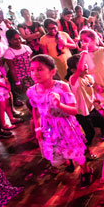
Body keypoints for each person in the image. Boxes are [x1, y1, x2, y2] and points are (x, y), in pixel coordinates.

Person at [27, 55, 93, 188]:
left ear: (52, 71)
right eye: (32, 70)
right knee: (57, 152)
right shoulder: (31, 91)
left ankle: (86, 170)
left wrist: (59, 105)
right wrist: (37, 128)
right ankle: (68, 161)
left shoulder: (62, 87)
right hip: (48, 127)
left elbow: (74, 110)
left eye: (40, 69)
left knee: (75, 152)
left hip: (65, 125)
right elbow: (35, 109)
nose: (35, 73)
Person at [78, 29, 104, 132]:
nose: (83, 43)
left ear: (94, 39)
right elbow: (83, 73)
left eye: (85, 40)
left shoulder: (103, 50)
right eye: (81, 40)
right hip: (93, 84)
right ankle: (103, 125)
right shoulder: (83, 55)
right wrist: (94, 85)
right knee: (98, 106)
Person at [66, 53, 104, 146]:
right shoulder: (74, 80)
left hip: (91, 108)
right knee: (90, 133)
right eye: (81, 64)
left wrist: (94, 98)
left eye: (85, 63)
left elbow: (89, 91)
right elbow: (80, 71)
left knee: (102, 122)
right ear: (73, 70)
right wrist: (84, 53)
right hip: (81, 112)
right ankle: (85, 147)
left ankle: (103, 133)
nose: (85, 65)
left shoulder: (88, 77)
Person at [3, 29, 34, 101]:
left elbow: (32, 61)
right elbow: (12, 69)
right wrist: (17, 82)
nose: (18, 41)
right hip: (21, 78)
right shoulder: (9, 52)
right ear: (9, 41)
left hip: (31, 75)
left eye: (19, 38)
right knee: (28, 98)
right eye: (15, 39)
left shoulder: (26, 47)